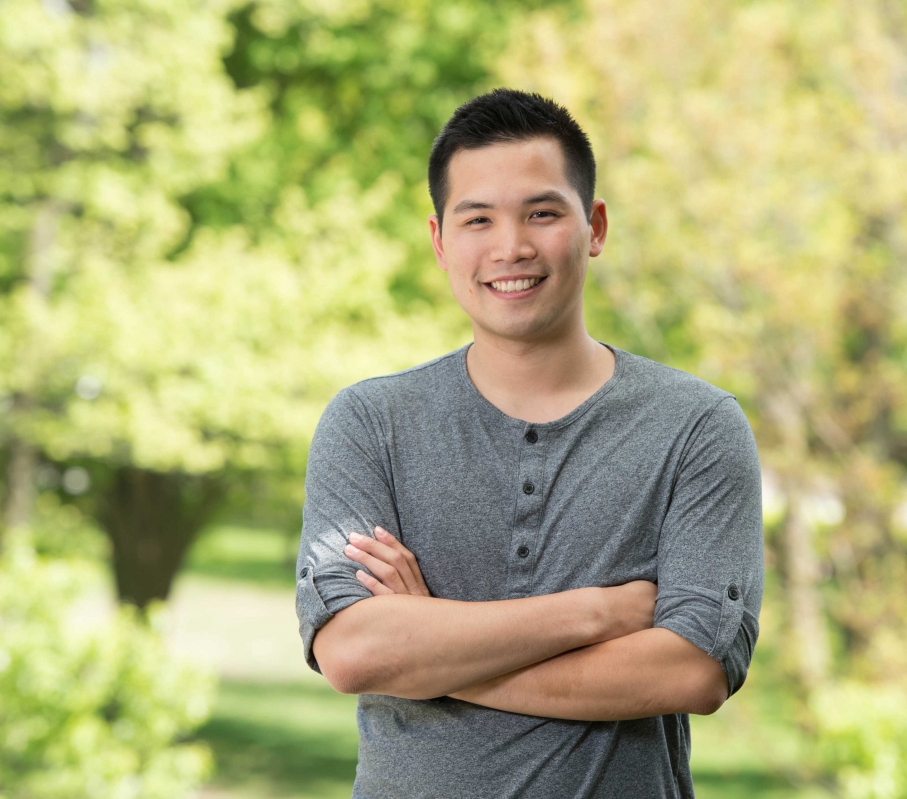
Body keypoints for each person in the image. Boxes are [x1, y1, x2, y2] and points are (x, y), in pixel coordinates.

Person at [294, 88, 764, 798]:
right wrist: (596, 614)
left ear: (595, 226)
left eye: (542, 213)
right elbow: (353, 652)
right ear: (440, 240)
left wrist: (427, 648)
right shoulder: (370, 423)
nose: (510, 247)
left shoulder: (696, 427)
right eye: (477, 219)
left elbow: (692, 672)